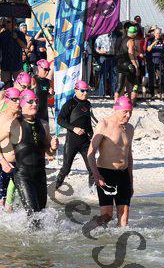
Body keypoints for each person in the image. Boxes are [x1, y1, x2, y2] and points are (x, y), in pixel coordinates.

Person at [9, 90, 58, 226]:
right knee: (33, 216)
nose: (34, 104)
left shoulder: (44, 124)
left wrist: (53, 148)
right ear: (22, 104)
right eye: (30, 101)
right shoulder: (14, 124)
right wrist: (3, 160)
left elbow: (49, 154)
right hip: (23, 176)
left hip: (40, 176)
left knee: (41, 215)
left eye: (36, 101)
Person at [87, 96, 135, 228]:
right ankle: (88, 227)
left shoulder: (130, 128)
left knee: (124, 217)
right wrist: (96, 175)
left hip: (123, 175)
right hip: (106, 174)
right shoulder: (104, 125)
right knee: (107, 216)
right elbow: (90, 153)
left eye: (130, 112)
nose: (128, 115)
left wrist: (131, 180)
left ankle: (121, 239)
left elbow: (129, 155)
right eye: (125, 112)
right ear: (116, 109)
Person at [56, 80, 96, 188]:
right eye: (82, 91)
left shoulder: (87, 104)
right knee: (66, 169)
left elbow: (88, 123)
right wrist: (73, 128)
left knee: (92, 169)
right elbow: (60, 120)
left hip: (85, 142)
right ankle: (55, 188)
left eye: (87, 91)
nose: (85, 93)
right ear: (76, 90)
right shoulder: (70, 103)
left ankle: (91, 192)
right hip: (72, 142)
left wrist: (92, 136)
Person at [0, 87, 22, 212]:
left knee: (11, 205)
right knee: (2, 202)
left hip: (17, 164)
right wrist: (3, 162)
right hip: (2, 165)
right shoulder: (2, 119)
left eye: (19, 99)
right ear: (7, 100)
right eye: (15, 99)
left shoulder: (21, 117)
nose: (18, 102)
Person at [116, 25, 141, 104]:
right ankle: (131, 103)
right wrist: (136, 66)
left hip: (119, 63)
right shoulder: (131, 41)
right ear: (134, 34)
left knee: (120, 86)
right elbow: (131, 55)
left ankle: (116, 103)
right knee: (134, 85)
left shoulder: (120, 39)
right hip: (128, 65)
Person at [0, 18, 27, 84]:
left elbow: (24, 46)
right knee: (6, 85)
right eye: (5, 22)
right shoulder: (2, 34)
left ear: (14, 23)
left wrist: (16, 38)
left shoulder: (20, 33)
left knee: (19, 84)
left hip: (17, 65)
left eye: (8, 22)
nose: (6, 23)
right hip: (5, 65)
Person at [146, 27, 164, 100]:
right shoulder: (150, 40)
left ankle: (160, 94)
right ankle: (152, 94)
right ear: (154, 33)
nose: (158, 35)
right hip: (152, 61)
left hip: (160, 61)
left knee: (161, 78)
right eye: (157, 33)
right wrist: (153, 43)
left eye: (159, 33)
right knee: (151, 78)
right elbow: (148, 49)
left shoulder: (162, 40)